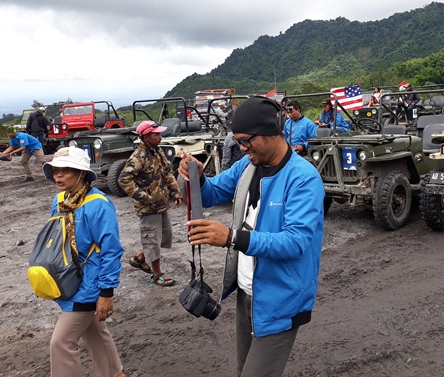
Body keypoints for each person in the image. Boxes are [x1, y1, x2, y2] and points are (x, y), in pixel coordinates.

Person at [177, 96, 324, 377]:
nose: (242, 148)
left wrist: (233, 238)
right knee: (244, 369)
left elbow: (296, 242)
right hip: (248, 293)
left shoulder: (303, 178)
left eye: (246, 140)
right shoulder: (248, 166)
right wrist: (195, 174)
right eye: (238, 141)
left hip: (281, 298)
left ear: (271, 132)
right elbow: (212, 193)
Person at [42, 147, 125, 377]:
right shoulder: (60, 200)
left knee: (61, 342)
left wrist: (106, 293)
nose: (58, 176)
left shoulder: (97, 204)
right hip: (68, 281)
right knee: (96, 333)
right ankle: (115, 374)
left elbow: (111, 250)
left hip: (89, 286)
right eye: (55, 171)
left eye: (65, 170)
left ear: (81, 173)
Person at [118, 121, 183, 287]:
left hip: (160, 204)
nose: (160, 137)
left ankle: (139, 259)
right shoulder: (138, 157)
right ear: (146, 137)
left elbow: (167, 172)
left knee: (164, 237)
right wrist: (143, 197)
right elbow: (124, 179)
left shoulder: (157, 151)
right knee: (152, 240)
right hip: (148, 208)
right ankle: (157, 274)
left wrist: (175, 191)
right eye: (157, 134)